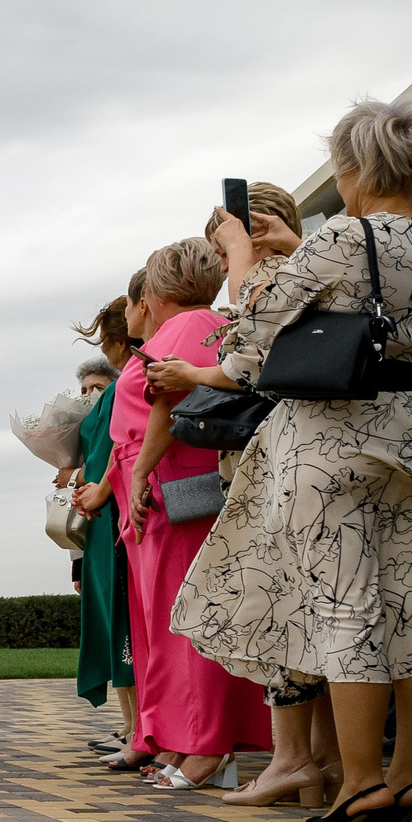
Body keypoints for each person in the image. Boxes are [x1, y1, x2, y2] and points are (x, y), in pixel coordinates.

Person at [166, 100, 412, 822]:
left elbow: (251, 327)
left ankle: (363, 781)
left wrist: (245, 253)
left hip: (333, 440)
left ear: (355, 166)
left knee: (345, 602)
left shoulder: (341, 237)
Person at [109, 239, 269, 788]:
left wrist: (136, 474)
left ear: (155, 289)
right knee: (173, 618)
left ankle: (203, 743)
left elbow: (165, 403)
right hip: (179, 481)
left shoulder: (179, 330)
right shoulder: (211, 325)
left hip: (171, 483)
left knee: (185, 617)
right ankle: (183, 739)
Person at [70, 296, 137, 748]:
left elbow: (122, 444)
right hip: (100, 513)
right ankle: (132, 723)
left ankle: (139, 726)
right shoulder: (114, 389)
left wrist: (98, 485)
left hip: (112, 511)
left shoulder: (125, 383)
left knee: (123, 620)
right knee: (111, 619)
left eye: (107, 341)